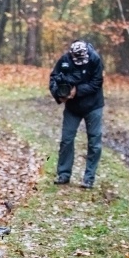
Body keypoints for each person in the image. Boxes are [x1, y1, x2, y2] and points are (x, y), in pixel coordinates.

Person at [49, 40, 105, 188]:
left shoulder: (94, 59)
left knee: (94, 142)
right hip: (72, 108)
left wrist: (77, 91)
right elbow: (53, 78)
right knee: (66, 140)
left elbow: (97, 82)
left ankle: (89, 178)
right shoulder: (65, 60)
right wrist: (58, 94)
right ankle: (63, 174)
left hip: (93, 106)